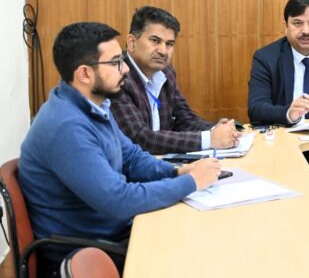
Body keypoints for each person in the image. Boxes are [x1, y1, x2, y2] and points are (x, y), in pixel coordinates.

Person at [18, 22, 220, 276]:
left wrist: (176, 172)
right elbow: (119, 200)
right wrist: (191, 182)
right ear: (84, 74)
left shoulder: (94, 104)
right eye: (115, 63)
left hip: (114, 232)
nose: (125, 69)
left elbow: (132, 157)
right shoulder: (66, 126)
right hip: (90, 250)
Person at [110, 6, 240, 154]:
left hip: (161, 161)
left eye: (169, 44)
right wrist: (209, 139)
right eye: (155, 41)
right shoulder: (116, 76)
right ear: (132, 42)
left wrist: (217, 130)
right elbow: (139, 137)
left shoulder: (166, 71)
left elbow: (184, 119)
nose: (163, 51)